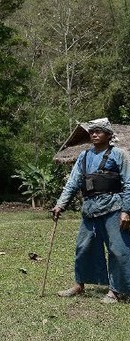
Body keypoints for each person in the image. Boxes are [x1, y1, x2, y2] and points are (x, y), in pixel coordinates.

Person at [51, 118, 130, 303]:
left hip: (113, 208)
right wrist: (60, 204)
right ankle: (80, 285)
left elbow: (128, 183)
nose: (94, 134)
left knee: (118, 250)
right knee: (83, 247)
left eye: (99, 131)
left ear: (109, 135)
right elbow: (73, 183)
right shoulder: (84, 156)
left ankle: (116, 290)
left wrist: (127, 211)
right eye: (92, 131)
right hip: (90, 210)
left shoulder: (119, 154)